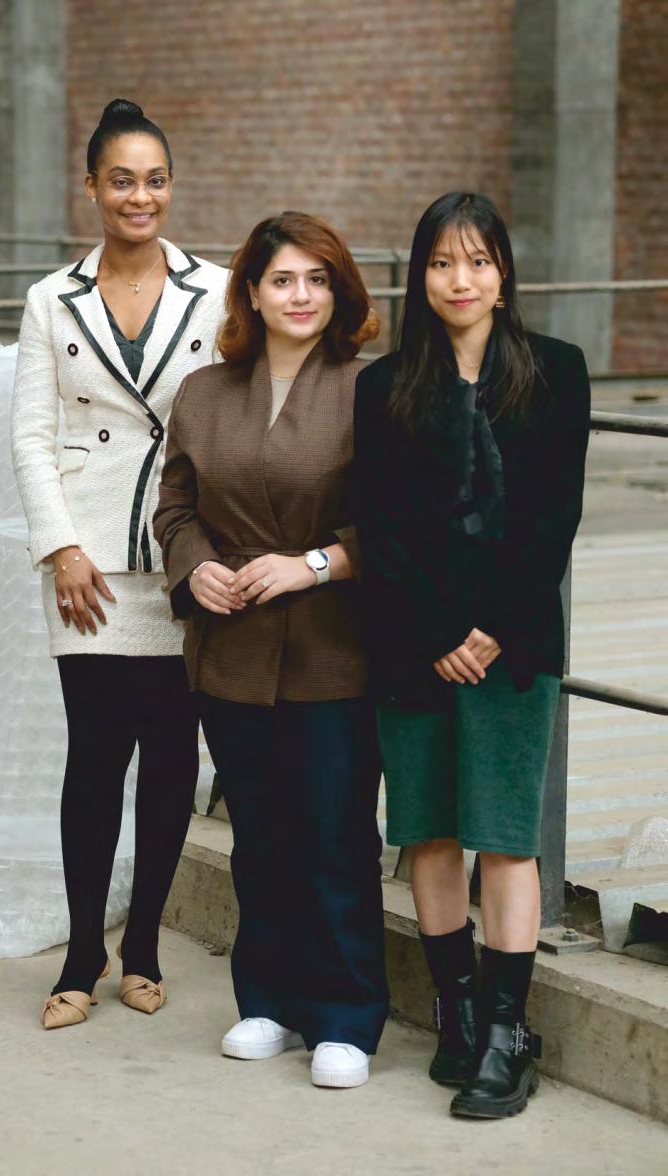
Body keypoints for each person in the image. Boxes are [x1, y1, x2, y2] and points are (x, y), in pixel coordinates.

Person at [351, 192, 589, 1118]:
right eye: (443, 263)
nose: (462, 280)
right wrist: (440, 634)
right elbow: (382, 524)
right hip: (414, 644)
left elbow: (553, 519)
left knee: (505, 835)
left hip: (514, 643)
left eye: (478, 261)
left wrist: (489, 627)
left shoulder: (557, 372)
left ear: (503, 273)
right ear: (420, 276)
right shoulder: (384, 386)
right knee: (430, 831)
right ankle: (454, 1017)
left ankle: (505, 1033)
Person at [154, 212, 387, 1087]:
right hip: (234, 648)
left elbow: (401, 523)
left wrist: (316, 564)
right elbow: (175, 508)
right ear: (250, 292)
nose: (301, 296)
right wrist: (197, 570)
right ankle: (270, 1002)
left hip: (335, 649)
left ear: (340, 292)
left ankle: (347, 1017)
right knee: (258, 835)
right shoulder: (205, 393)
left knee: (335, 835)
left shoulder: (373, 390)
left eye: (318, 280)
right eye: (283, 279)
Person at [11, 99, 228, 1030]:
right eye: (123, 180)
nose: (141, 196)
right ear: (92, 187)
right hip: (89, 560)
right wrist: (60, 547)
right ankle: (81, 953)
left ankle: (143, 947)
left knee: (173, 759)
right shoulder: (49, 298)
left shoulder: (218, 291)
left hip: (184, 554)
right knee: (95, 759)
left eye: (156, 180)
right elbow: (30, 436)